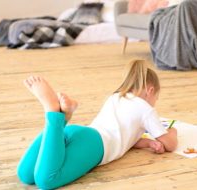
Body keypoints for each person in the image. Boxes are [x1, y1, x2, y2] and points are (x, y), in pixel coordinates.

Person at [17, 59, 178, 189]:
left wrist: (148, 143)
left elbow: (124, 135)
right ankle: (52, 112)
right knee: (47, 180)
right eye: (157, 97)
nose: (155, 102)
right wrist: (172, 131)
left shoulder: (116, 97)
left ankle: (63, 118)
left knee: (25, 175)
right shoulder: (146, 109)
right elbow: (170, 144)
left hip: (77, 132)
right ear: (150, 90)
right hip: (95, 146)